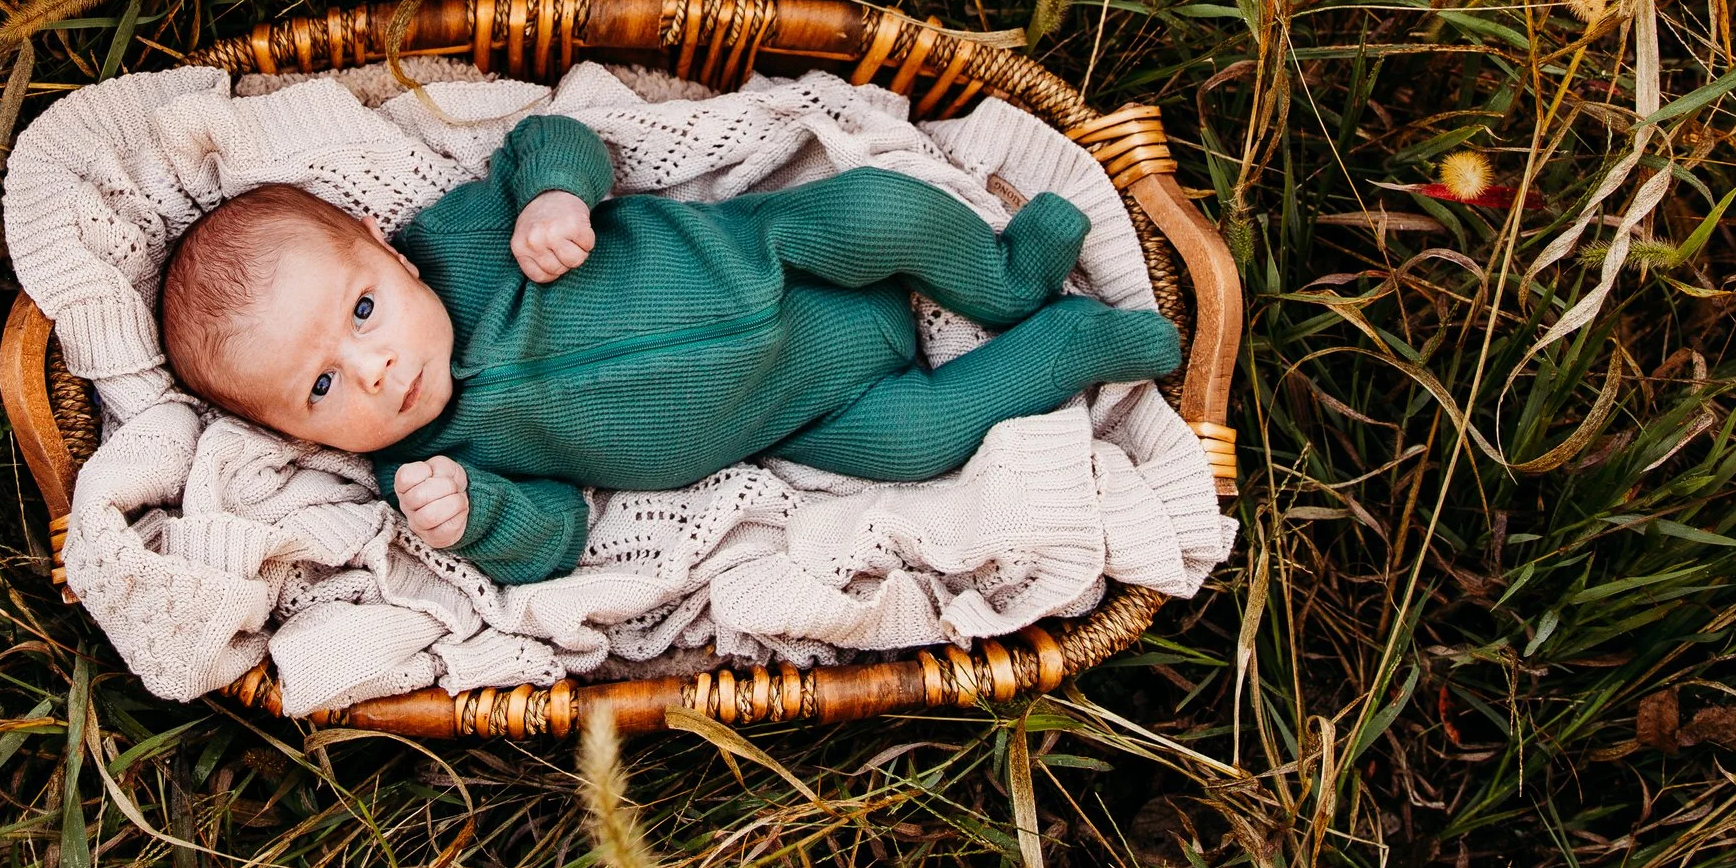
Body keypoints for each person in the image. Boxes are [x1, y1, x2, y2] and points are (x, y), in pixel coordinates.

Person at [157, 115, 1181, 584]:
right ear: (288, 431)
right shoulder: (422, 472)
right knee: (919, 439)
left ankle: (1003, 282)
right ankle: (1065, 346)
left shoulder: (461, 239)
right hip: (803, 413)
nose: (371, 367)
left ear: (387, 253)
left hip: (779, 253)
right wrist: (479, 519)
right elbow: (556, 534)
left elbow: (546, 136)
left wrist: (556, 191)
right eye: (322, 384)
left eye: (363, 310)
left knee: (879, 207)